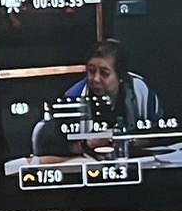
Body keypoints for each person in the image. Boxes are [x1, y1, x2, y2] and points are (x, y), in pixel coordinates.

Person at [31, 40, 159, 155]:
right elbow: (55, 145)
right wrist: (88, 144)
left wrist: (127, 140)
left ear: (120, 76)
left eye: (104, 73)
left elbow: (160, 134)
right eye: (91, 71)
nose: (95, 79)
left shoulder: (141, 90)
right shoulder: (73, 96)